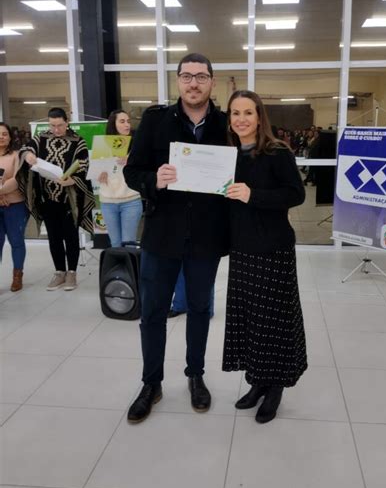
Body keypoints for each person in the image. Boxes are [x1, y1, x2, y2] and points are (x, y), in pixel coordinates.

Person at [124, 52, 228, 423]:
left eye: (201, 76)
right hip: (161, 235)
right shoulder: (155, 121)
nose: (194, 83)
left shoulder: (227, 125)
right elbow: (132, 172)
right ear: (178, 81)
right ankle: (151, 383)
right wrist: (154, 179)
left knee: (200, 308)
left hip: (206, 237)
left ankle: (195, 375)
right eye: (187, 76)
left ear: (212, 82)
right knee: (152, 312)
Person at [223, 90, 307, 424]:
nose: (241, 119)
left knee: (274, 322)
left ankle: (275, 388)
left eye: (247, 112)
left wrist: (252, 195)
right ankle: (258, 380)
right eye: (234, 113)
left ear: (259, 117)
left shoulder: (276, 151)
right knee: (251, 321)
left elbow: (296, 194)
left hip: (273, 249)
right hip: (241, 249)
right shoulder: (227, 155)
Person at [19, 107, 95, 291]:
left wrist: (73, 180)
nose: (56, 129)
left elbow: (84, 164)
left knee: (70, 236)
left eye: (60, 125)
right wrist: (28, 155)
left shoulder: (78, 141)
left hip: (70, 198)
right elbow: (26, 150)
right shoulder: (41, 138)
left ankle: (72, 273)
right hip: (47, 197)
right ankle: (59, 272)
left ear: (66, 122)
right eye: (52, 125)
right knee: (53, 237)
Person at [97, 110, 143, 247]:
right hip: (107, 202)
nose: (127, 125)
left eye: (128, 121)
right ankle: (118, 269)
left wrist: (131, 159)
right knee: (115, 244)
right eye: (122, 121)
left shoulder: (137, 145)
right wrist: (100, 173)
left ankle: (131, 269)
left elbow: (146, 167)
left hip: (131, 200)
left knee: (129, 243)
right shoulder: (103, 144)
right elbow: (95, 171)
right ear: (113, 124)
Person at [0, 122, 29, 292]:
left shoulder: (17, 156)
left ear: (10, 137)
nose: (1, 137)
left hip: (15, 205)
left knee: (16, 241)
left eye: (4, 133)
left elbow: (18, 179)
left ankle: (17, 275)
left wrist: (1, 192)